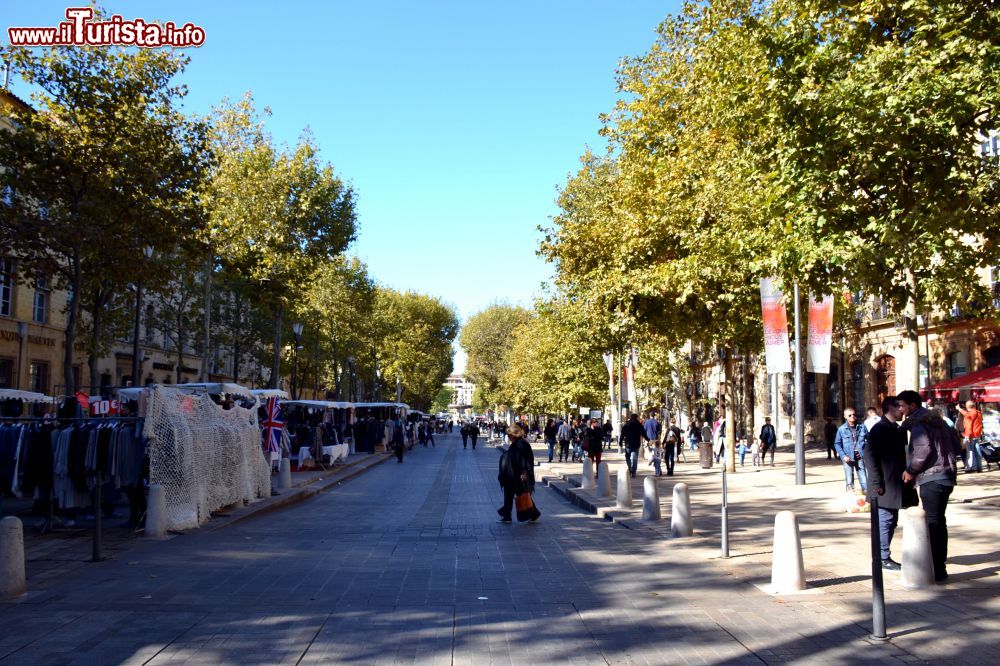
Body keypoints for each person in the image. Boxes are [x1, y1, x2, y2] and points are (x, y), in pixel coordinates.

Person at [899, 389, 962, 583]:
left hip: (932, 478)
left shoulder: (919, 424)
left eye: (902, 405)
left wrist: (911, 470)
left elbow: (923, 450)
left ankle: (938, 569)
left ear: (912, 405)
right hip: (946, 476)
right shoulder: (939, 421)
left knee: (933, 523)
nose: (900, 409)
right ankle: (938, 565)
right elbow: (957, 445)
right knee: (938, 522)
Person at [863, 396, 918, 571]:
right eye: (899, 407)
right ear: (891, 409)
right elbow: (869, 457)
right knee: (885, 520)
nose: (902, 410)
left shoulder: (897, 429)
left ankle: (883, 555)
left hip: (895, 483)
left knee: (891, 520)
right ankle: (882, 557)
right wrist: (876, 482)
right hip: (884, 484)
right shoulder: (879, 429)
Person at [496, 424, 539, 523]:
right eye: (508, 435)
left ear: (515, 434)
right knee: (510, 494)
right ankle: (507, 516)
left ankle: (533, 514)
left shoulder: (522, 444)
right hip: (512, 475)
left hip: (518, 476)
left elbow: (526, 460)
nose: (509, 437)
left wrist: (524, 473)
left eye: (510, 435)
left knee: (522, 494)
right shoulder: (516, 443)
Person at [834, 408, 869, 492]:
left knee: (864, 479)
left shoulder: (862, 427)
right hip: (848, 457)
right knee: (849, 481)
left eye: (854, 414)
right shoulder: (842, 429)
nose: (852, 416)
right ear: (845, 416)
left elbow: (870, 439)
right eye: (850, 415)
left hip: (860, 456)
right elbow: (837, 444)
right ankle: (851, 500)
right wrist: (843, 456)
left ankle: (867, 498)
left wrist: (866, 452)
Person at [957, 400, 983, 473]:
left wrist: (967, 436)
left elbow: (968, 426)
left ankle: (971, 467)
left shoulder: (969, 415)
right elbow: (968, 414)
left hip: (970, 435)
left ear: (967, 407)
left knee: (970, 451)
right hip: (977, 435)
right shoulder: (978, 413)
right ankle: (979, 467)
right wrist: (960, 409)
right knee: (977, 451)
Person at [619, 413, 648, 477]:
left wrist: (620, 441)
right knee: (635, 458)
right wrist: (648, 439)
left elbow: (622, 434)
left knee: (627, 457)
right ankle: (634, 472)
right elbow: (643, 433)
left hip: (628, 443)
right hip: (636, 443)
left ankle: (629, 468)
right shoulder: (639, 425)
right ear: (636, 418)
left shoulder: (627, 424)